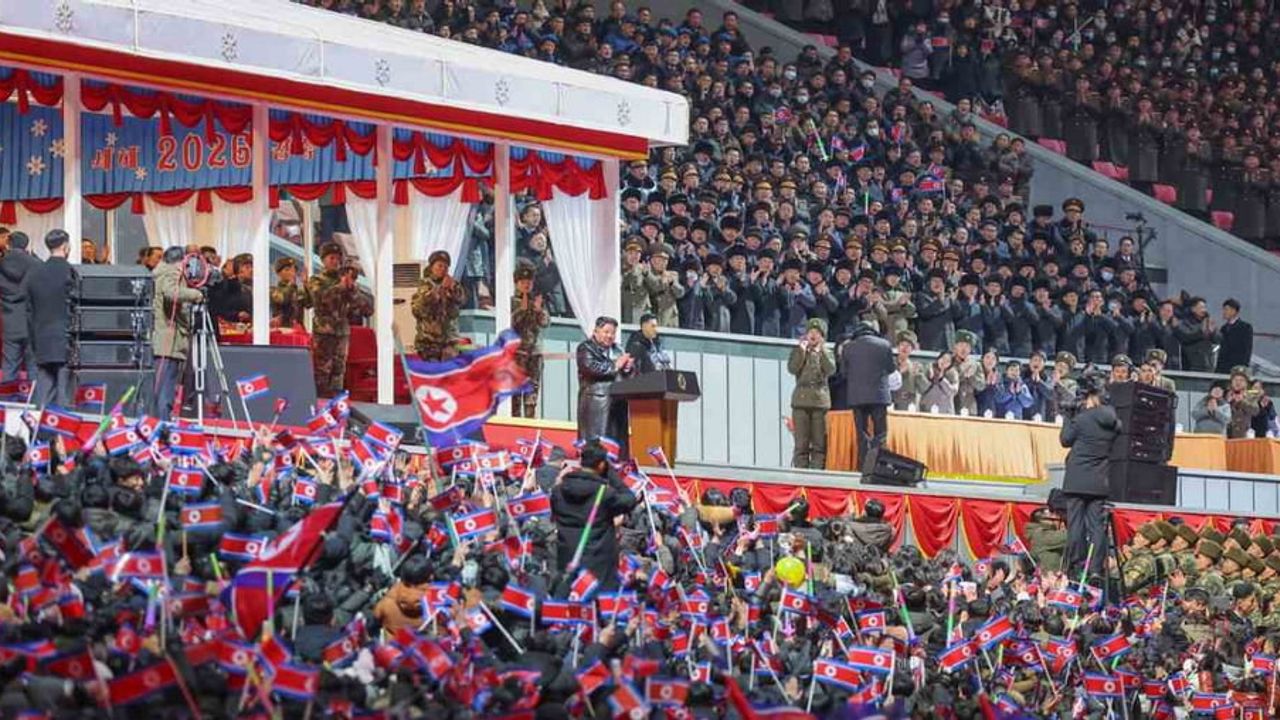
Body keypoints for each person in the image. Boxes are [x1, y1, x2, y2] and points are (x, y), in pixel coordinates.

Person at [550, 440, 637, 591]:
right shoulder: (604, 494)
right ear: (602, 465)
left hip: (568, 560)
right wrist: (611, 474)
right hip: (598, 568)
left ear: (580, 461)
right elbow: (630, 499)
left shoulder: (558, 492)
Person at [1059, 384, 1121, 580]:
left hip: (1077, 479)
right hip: (1099, 480)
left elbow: (1065, 440)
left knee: (1076, 524)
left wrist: (1068, 416)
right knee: (1096, 527)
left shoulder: (1083, 418)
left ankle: (1077, 565)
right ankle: (1095, 568)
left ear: (1094, 399)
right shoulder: (1114, 423)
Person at [306, 243, 373, 397]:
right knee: (322, 372)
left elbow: (367, 309)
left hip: (342, 332)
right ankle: (320, 404)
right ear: (323, 260)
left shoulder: (346, 281)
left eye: (338, 259)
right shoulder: (316, 280)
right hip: (324, 333)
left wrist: (352, 290)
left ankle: (336, 403)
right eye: (331, 258)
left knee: (339, 372)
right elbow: (320, 298)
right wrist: (341, 287)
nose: (335, 262)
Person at [149, 246, 205, 421]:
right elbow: (170, 292)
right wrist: (195, 294)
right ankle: (163, 428)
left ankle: (160, 424)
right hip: (169, 341)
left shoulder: (160, 273)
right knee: (165, 391)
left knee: (163, 391)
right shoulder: (172, 272)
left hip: (165, 340)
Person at [26, 231, 77, 408]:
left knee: (44, 394)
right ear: (65, 246)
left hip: (41, 339)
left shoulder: (34, 273)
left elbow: (29, 310)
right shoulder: (72, 273)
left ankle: (40, 432)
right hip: (66, 340)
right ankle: (60, 435)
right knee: (64, 396)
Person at [842, 321, 895, 469]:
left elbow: (843, 373)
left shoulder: (848, 347)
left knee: (862, 434)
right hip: (879, 395)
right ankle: (880, 465)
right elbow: (891, 368)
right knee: (880, 434)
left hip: (857, 397)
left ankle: (864, 466)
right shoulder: (884, 345)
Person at [787, 318, 836, 469]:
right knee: (801, 443)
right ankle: (801, 474)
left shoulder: (827, 353)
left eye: (817, 333)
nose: (813, 335)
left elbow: (831, 370)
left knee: (819, 444)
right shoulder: (799, 351)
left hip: (819, 402)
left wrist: (821, 352)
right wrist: (801, 351)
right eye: (810, 332)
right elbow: (792, 368)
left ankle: (816, 475)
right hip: (801, 401)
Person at [575, 316, 632, 443]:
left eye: (613, 333)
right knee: (598, 442)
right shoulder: (586, 348)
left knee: (617, 442)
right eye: (606, 332)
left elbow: (624, 371)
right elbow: (590, 368)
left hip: (618, 401)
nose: (610, 336)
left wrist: (628, 368)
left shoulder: (618, 349)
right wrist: (616, 365)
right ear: (596, 331)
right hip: (596, 402)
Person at [511, 259, 550, 418]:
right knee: (515, 392)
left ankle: (530, 422)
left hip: (534, 352)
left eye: (529, 282)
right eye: (523, 282)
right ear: (516, 283)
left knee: (532, 390)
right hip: (517, 353)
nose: (526, 285)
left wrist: (539, 310)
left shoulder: (537, 302)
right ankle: (515, 423)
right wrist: (522, 309)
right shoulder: (511, 301)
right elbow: (511, 323)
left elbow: (545, 322)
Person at [411, 250, 467, 361]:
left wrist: (453, 290)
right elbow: (418, 309)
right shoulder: (425, 284)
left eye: (446, 267)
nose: (443, 269)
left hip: (449, 341)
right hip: (429, 342)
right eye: (439, 265)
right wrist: (441, 289)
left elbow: (462, 300)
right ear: (432, 267)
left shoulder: (452, 283)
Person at [0, 231, 39, 381]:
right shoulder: (35, 264)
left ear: (9, 244)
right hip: (31, 319)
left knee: (9, 365)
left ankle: (6, 401)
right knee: (33, 366)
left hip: (10, 319)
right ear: (26, 245)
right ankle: (35, 403)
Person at [208, 253, 253, 324]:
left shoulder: (253, 288)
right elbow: (218, 309)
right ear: (238, 270)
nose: (251, 270)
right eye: (247, 267)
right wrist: (236, 315)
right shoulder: (225, 286)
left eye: (252, 267)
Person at [1214, 298, 1253, 374]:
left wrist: (1243, 367)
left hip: (1237, 367)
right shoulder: (1224, 328)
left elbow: (1247, 349)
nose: (1224, 312)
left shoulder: (1245, 327)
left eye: (1226, 310)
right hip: (1223, 368)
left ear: (1234, 311)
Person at [269, 257, 311, 328]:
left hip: (298, 329)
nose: (291, 272)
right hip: (282, 330)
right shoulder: (273, 290)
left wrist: (306, 284)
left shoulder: (298, 292)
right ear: (278, 273)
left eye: (294, 270)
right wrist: (291, 285)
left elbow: (309, 304)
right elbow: (283, 300)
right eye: (287, 270)